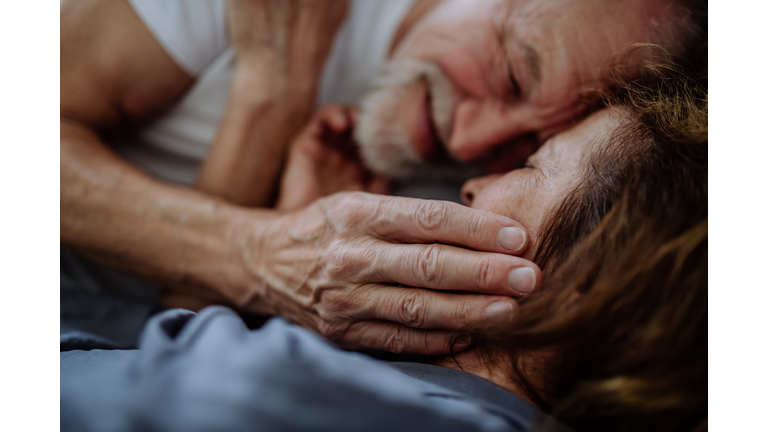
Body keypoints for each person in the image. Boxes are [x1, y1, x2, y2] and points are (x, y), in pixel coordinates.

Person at [60, 65, 707, 432]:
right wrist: (264, 262)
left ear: (589, 280)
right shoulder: (343, 377)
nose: (472, 184)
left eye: (534, 167)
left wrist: (256, 260)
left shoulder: (289, 391)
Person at [60, 0, 706, 352]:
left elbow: (177, 344)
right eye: (511, 73)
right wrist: (252, 250)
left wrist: (271, 98)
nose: (469, 143)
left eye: (537, 143)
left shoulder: (490, 202)